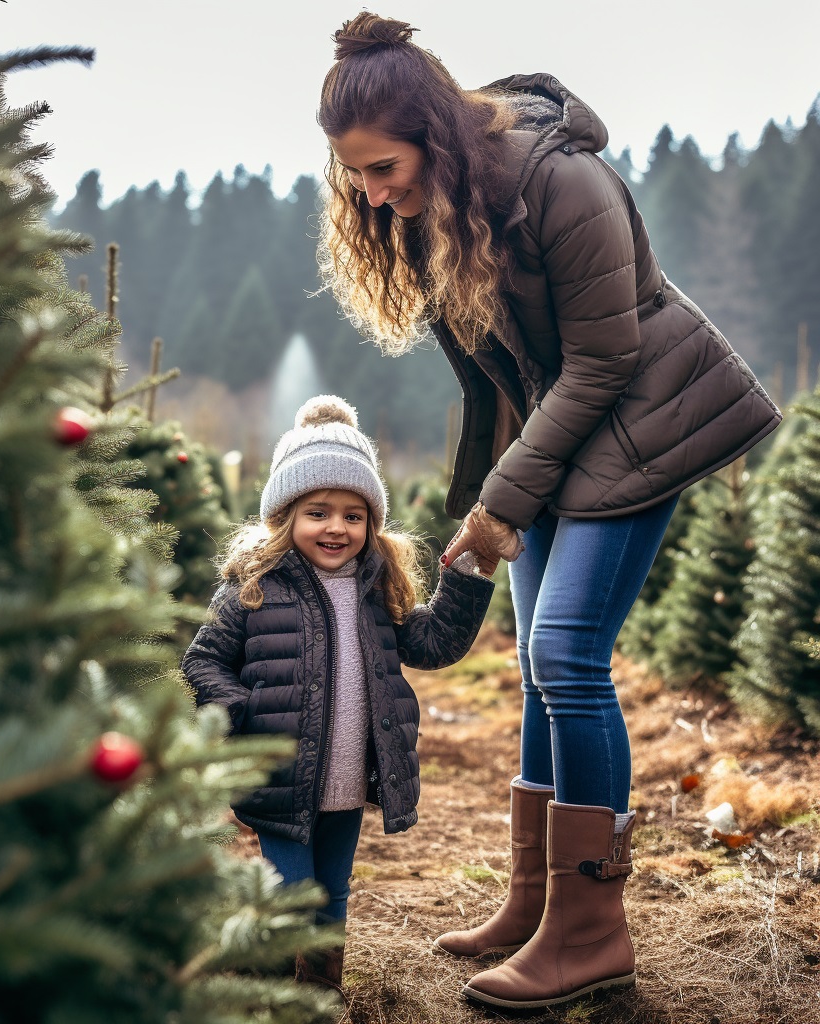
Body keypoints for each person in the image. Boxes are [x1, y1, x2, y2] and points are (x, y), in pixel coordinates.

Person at [316, 13, 782, 1011]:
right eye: (354, 174)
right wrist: (494, 493)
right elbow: (507, 376)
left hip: (643, 420)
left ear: (435, 136)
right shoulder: (443, 210)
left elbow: (605, 361)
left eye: (383, 167)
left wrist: (497, 505)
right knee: (535, 662)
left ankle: (590, 930)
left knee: (568, 655)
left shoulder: (565, 184)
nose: (371, 192)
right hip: (559, 435)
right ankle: (534, 901)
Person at [181, 394, 495, 999]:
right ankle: (272, 996)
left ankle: (322, 994)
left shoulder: (378, 587)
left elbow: (433, 644)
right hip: (280, 775)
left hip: (349, 777)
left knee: (332, 891)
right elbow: (203, 659)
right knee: (289, 892)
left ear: (371, 524)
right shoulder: (254, 586)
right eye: (318, 512)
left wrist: (468, 574)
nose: (337, 528)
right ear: (286, 516)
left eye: (354, 515)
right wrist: (243, 715)